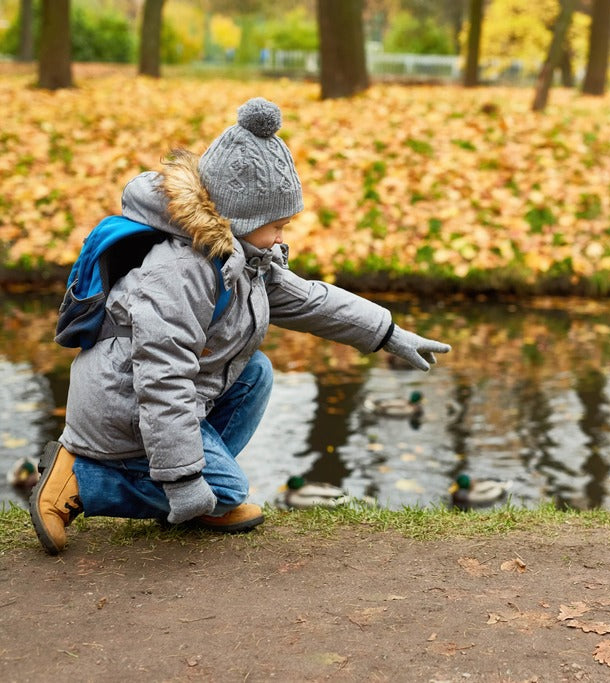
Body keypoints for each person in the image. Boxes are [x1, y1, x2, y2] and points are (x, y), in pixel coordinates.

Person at [29, 97, 451, 555]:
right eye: (276, 225)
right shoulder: (178, 272)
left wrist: (388, 333)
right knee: (228, 492)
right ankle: (81, 478)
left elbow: (308, 299)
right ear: (241, 219)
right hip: (124, 402)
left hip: (162, 398)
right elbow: (162, 377)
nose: (283, 238)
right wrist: (186, 482)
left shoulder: (243, 258)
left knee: (257, 374)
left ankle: (189, 488)